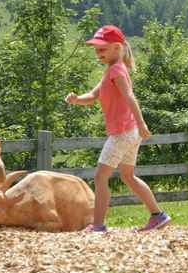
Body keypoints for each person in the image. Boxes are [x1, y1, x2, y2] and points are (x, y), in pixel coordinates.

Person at [65, 25, 171, 232]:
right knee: (128, 176)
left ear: (116, 47)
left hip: (123, 132)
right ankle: (158, 216)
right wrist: (76, 99)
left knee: (100, 177)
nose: (98, 53)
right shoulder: (111, 71)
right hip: (130, 132)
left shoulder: (116, 71)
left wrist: (142, 123)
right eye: (96, 50)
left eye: (102, 49)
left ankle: (97, 225)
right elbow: (93, 97)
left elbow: (129, 96)